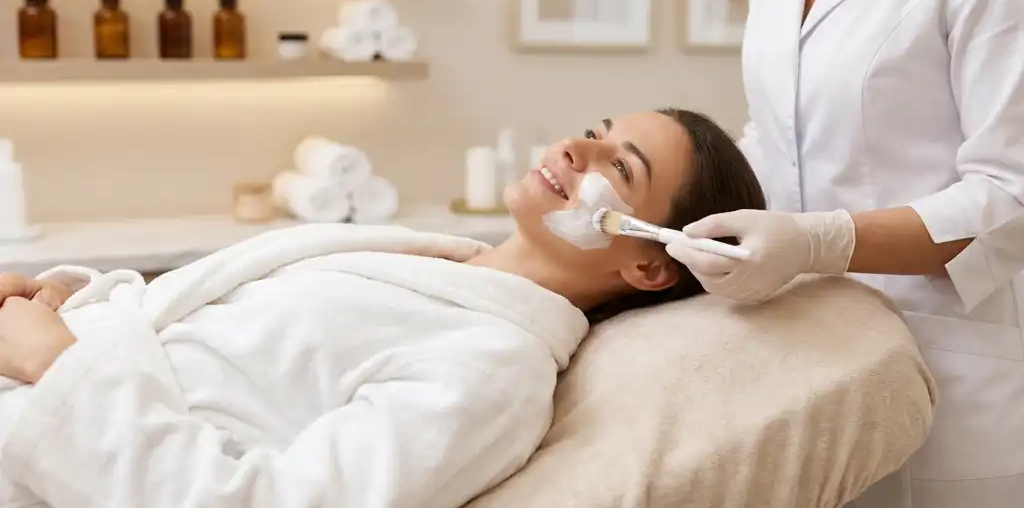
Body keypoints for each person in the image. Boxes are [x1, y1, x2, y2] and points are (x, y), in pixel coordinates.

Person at [0, 107, 766, 508]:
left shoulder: (492, 372)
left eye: (618, 167)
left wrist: (59, 364)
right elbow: (218, 336)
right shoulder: (429, 259)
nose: (574, 148)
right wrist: (66, 304)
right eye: (597, 132)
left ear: (647, 263)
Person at [665, 0, 1024, 507]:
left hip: (947, 368)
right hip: (809, 361)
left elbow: (1011, 194)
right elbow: (780, 133)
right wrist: (679, 206)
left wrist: (821, 242)